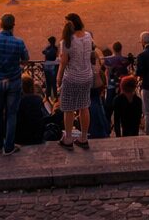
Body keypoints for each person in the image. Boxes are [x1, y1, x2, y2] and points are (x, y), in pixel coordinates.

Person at [0, 13, 29, 156]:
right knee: (11, 114)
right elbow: (26, 59)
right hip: (13, 80)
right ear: (13, 26)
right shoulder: (19, 42)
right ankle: (8, 146)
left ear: (0, 24)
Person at [56, 12, 93, 150]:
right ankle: (83, 138)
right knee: (84, 106)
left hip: (72, 77)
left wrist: (58, 78)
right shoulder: (88, 36)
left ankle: (68, 138)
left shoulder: (66, 42)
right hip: (87, 76)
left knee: (69, 108)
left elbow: (63, 62)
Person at [16, 75, 49, 146]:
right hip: (38, 138)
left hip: (20, 138)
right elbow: (45, 116)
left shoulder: (17, 101)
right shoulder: (38, 99)